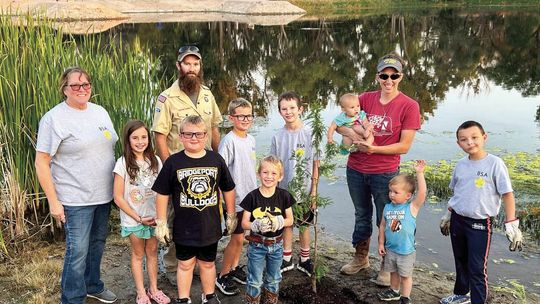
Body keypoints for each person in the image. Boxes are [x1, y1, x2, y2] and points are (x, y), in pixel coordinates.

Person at [35, 67, 118, 304]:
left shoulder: (100, 111)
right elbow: (41, 162)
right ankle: (72, 298)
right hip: (74, 199)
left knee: (97, 244)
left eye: (86, 85)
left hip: (103, 195)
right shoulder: (54, 118)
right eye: (75, 85)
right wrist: (53, 201)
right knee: (77, 252)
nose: (82, 89)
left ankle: (93, 285)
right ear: (64, 89)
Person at [337, 53, 421, 287]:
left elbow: (404, 146)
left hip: (385, 173)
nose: (389, 80)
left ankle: (387, 266)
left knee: (387, 217)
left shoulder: (409, 105)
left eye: (394, 75)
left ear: (400, 77)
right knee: (361, 214)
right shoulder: (363, 99)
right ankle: (360, 257)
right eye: (384, 75)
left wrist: (373, 149)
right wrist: (353, 135)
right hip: (355, 169)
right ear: (377, 76)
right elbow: (340, 124)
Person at [152, 45, 223, 285]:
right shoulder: (166, 98)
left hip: (205, 168)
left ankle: (195, 263)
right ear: (178, 66)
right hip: (178, 169)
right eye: (187, 64)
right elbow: (159, 135)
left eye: (195, 64)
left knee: (202, 213)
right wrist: (168, 166)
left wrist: (217, 158)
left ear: (200, 67)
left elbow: (214, 127)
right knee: (176, 217)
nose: (191, 68)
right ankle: (173, 266)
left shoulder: (206, 94)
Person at [152, 115, 237, 304]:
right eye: (188, 134)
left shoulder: (216, 159)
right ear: (181, 136)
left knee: (208, 263)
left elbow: (228, 188)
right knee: (185, 264)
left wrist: (231, 214)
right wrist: (161, 222)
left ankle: (209, 295)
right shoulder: (173, 162)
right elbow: (162, 193)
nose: (194, 138)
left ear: (206, 135)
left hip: (210, 226)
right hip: (184, 227)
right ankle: (184, 299)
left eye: (198, 134)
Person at [438, 121, 523, 304]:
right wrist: (448, 214)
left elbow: (507, 195)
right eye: (464, 139)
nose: (470, 142)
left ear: (484, 138)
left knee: (477, 267)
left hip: (480, 224)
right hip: (458, 220)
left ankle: (479, 300)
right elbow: (457, 193)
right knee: (460, 260)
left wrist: (511, 223)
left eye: (474, 137)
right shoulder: (460, 165)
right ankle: (461, 294)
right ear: (458, 143)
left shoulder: (495, 164)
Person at [112, 120, 170, 304]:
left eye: (144, 137)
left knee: (152, 252)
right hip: (134, 219)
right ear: (128, 140)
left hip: (153, 218)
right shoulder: (122, 164)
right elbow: (118, 198)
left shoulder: (155, 161)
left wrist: (162, 218)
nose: (140, 141)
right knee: (138, 254)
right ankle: (140, 292)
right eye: (135, 138)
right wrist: (138, 218)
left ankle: (153, 288)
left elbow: (163, 190)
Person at [270, 91, 319, 277]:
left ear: (300, 109)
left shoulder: (309, 134)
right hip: (284, 191)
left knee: (304, 224)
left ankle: (305, 259)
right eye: (284, 108)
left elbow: (316, 163)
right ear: (280, 111)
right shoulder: (277, 136)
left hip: (305, 190)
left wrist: (313, 191)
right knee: (287, 225)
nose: (288, 112)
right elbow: (274, 163)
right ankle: (287, 257)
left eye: (292, 108)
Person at [215, 98, 258, 296]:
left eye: (248, 115)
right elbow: (221, 172)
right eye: (240, 116)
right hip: (236, 199)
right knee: (236, 239)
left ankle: (233, 269)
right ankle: (222, 276)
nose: (245, 119)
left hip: (250, 198)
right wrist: (224, 201)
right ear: (231, 118)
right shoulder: (229, 140)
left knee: (242, 239)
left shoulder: (250, 139)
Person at [241, 155, 295, 304]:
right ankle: (252, 301)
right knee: (255, 280)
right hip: (257, 245)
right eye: (265, 172)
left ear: (280, 176)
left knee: (274, 278)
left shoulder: (284, 196)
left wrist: (280, 221)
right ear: (259, 174)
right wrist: (255, 225)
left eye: (274, 173)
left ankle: (271, 300)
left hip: (277, 245)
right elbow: (244, 223)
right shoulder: (252, 197)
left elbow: (291, 219)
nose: (269, 176)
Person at [377, 160, 427, 304]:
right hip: (391, 249)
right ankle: (394, 291)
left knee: (405, 275)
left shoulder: (411, 208)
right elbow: (382, 225)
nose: (391, 195)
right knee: (393, 272)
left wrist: (419, 173)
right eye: (390, 191)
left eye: (396, 192)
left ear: (408, 195)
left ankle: (405, 298)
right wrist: (381, 243)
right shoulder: (387, 207)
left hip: (405, 251)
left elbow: (422, 193)